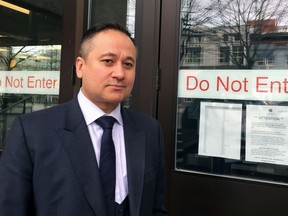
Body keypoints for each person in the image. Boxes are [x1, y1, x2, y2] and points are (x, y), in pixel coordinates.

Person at [0, 22, 168, 216]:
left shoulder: (149, 130)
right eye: (108, 61)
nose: (120, 73)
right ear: (80, 67)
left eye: (128, 64)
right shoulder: (32, 131)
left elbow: (156, 208)